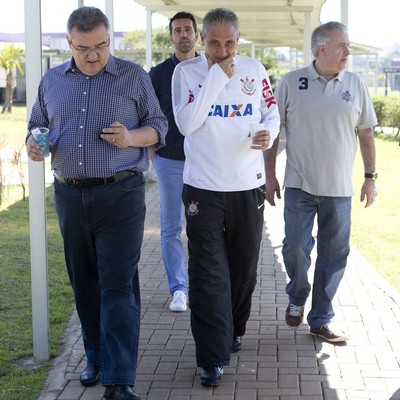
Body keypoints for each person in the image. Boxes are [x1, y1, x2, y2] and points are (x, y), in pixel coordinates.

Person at [26, 7, 167, 400]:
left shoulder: (133, 77)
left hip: (120, 194)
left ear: (110, 40)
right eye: (84, 48)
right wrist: (34, 147)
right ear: (69, 43)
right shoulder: (51, 81)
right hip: (69, 195)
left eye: (101, 46)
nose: (93, 56)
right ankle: (95, 358)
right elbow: (37, 126)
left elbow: (159, 126)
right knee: (84, 282)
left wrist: (131, 138)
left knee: (118, 285)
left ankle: (119, 379)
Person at [171, 7, 280, 386]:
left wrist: (268, 130)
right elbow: (187, 124)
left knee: (243, 268)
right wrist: (216, 78)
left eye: (229, 43)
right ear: (202, 40)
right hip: (203, 189)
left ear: (238, 39)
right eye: (214, 43)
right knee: (207, 273)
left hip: (246, 187)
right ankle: (210, 358)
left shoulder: (254, 69)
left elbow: (272, 111)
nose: (222, 50)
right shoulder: (186, 73)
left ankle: (233, 327)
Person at [267, 21, 378, 343]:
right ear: (322, 48)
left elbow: (366, 132)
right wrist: (270, 175)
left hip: (340, 190)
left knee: (334, 255)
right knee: (295, 250)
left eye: (348, 46)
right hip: (299, 186)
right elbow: (274, 131)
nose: (348, 52)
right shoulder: (291, 82)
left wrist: (370, 178)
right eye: (342, 45)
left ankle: (321, 319)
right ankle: (297, 295)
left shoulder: (356, 85)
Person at [148, 12, 199, 313]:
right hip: (169, 163)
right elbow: (147, 116)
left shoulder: (209, 68)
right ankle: (178, 289)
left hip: (205, 164)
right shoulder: (157, 74)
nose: (183, 34)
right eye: (177, 30)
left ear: (197, 35)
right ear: (170, 37)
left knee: (203, 227)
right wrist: (154, 157)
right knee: (171, 228)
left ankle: (203, 286)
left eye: (188, 30)